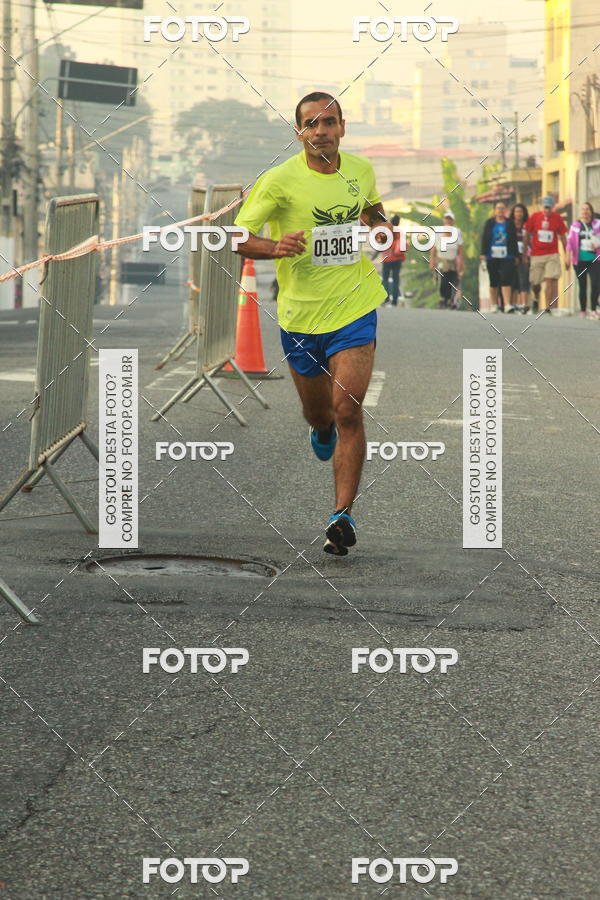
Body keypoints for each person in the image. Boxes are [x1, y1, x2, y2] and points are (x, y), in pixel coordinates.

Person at [233, 91, 389, 556]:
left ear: (342, 127)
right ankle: (318, 430)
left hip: (355, 307)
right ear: (299, 131)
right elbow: (240, 236)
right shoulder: (279, 180)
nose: (320, 130)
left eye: (329, 122)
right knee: (320, 415)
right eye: (310, 124)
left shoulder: (360, 169)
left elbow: (371, 208)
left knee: (348, 410)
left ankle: (341, 515)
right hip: (301, 316)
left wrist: (380, 226)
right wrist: (274, 247)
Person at [522, 195, 567, 314]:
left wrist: (567, 255)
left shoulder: (557, 218)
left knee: (550, 279)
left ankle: (547, 307)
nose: (547, 210)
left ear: (552, 207)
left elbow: (563, 237)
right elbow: (527, 234)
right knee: (535, 283)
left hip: (552, 254)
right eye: (545, 207)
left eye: (549, 208)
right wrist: (525, 253)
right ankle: (536, 299)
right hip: (536, 254)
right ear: (542, 207)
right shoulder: (535, 217)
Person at [480, 200, 519, 312]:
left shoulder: (510, 223)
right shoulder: (490, 223)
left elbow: (514, 240)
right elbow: (485, 238)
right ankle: (494, 304)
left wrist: (515, 255)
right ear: (495, 211)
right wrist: (483, 253)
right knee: (493, 280)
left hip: (507, 256)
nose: (500, 210)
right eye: (498, 208)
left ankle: (507, 304)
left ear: (505, 210)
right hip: (492, 255)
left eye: (502, 208)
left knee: (506, 279)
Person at [566, 201, 600, 317]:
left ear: (591, 212)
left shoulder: (597, 224)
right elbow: (569, 243)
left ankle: (594, 308)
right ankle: (583, 310)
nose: (585, 211)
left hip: (595, 259)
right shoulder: (575, 226)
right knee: (582, 284)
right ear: (580, 212)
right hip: (579, 260)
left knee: (595, 283)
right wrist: (567, 258)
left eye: (587, 209)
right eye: (583, 209)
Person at [429, 211, 464, 309]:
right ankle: (443, 298)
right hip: (441, 261)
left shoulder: (457, 232)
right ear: (444, 220)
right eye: (447, 219)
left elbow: (460, 248)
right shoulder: (438, 232)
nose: (448, 221)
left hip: (453, 261)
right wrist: (432, 260)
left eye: (450, 219)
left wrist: (461, 262)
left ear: (453, 221)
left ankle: (449, 299)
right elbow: (433, 248)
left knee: (452, 281)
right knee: (443, 280)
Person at [380, 214, 405, 307]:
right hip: (397, 259)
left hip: (387, 259)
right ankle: (394, 301)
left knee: (385, 280)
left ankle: (386, 299)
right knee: (395, 280)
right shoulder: (400, 232)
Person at [509, 203, 531, 313]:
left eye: (521, 212)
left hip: (525, 254)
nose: (519, 214)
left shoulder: (527, 225)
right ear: (513, 213)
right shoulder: (509, 225)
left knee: (524, 279)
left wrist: (525, 254)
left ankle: (524, 304)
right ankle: (512, 304)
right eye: (517, 211)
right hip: (511, 255)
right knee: (513, 280)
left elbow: (530, 240)